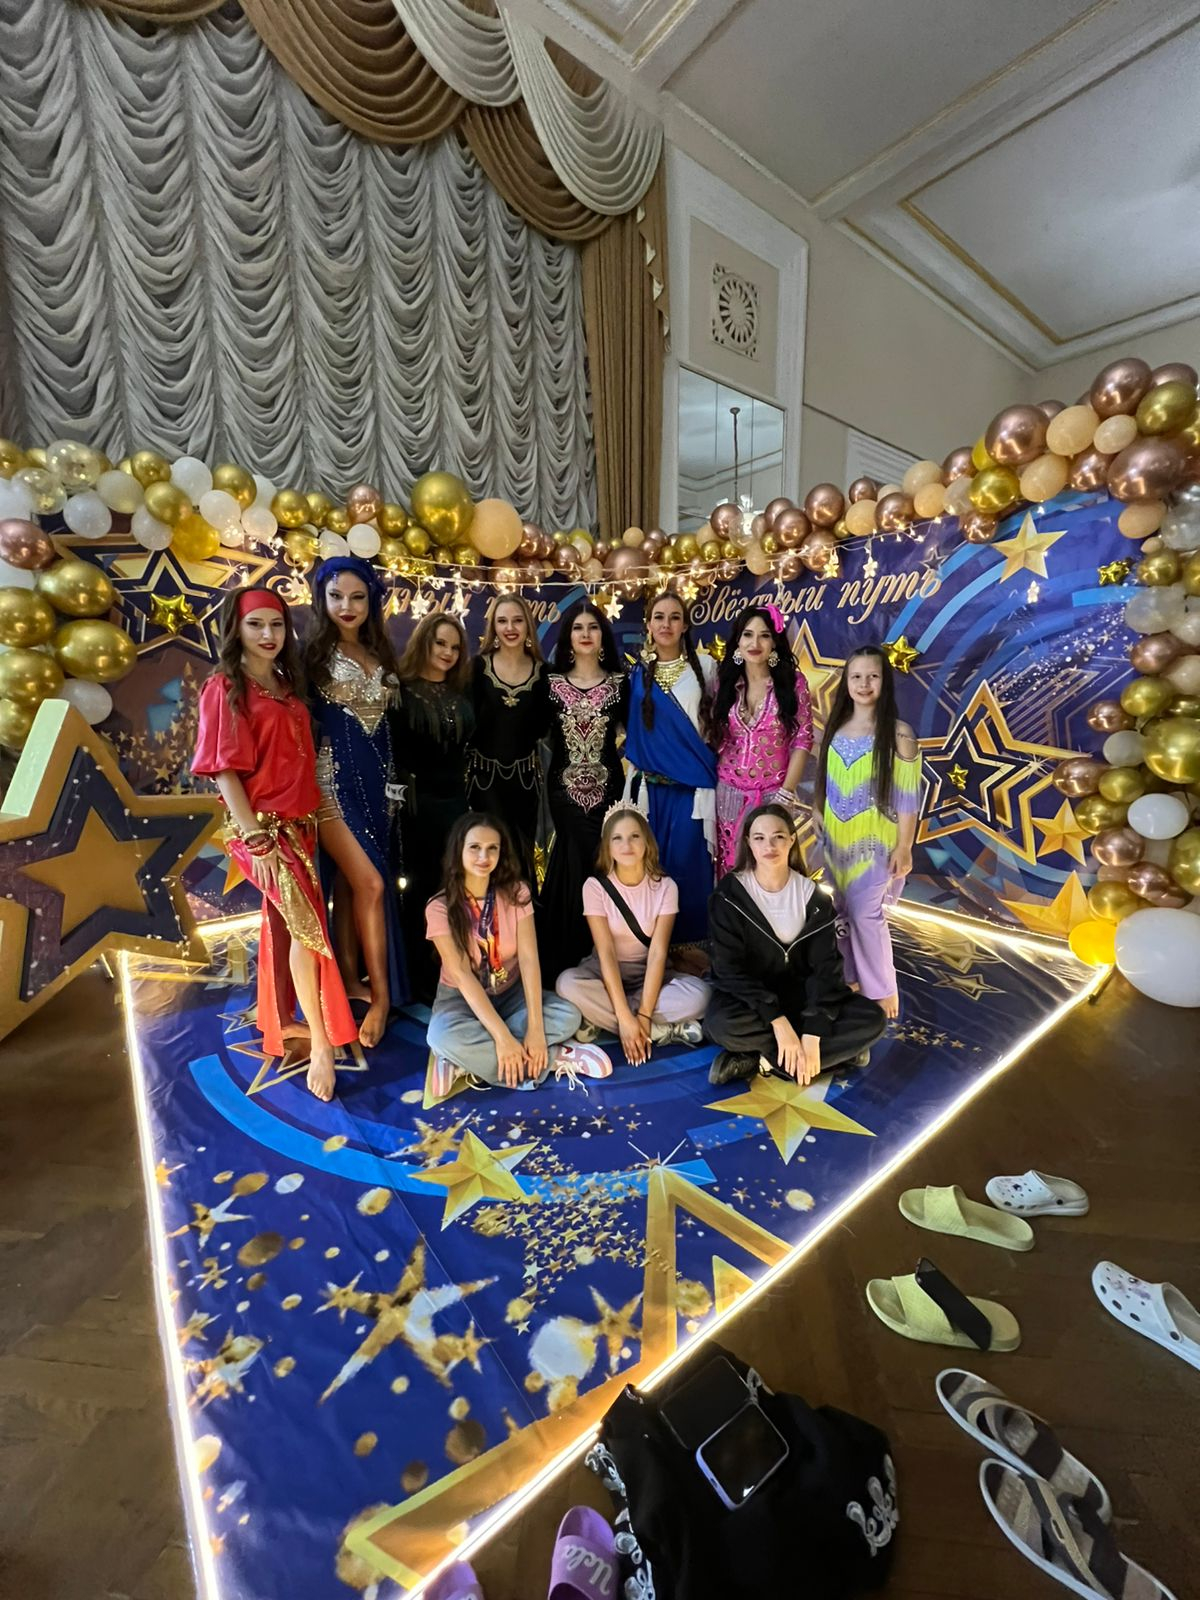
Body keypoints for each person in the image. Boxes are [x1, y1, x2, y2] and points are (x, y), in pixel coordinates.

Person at [192, 586, 357, 1100]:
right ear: (236, 629)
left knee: (289, 927)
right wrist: (257, 840)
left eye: (277, 624)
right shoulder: (225, 687)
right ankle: (323, 1045)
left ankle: (284, 1019)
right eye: (256, 624)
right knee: (308, 931)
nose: (268, 634)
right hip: (264, 832)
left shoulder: (285, 682)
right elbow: (224, 771)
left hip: (300, 825)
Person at [704, 804, 886, 1087]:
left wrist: (813, 1031)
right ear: (749, 843)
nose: (769, 846)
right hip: (752, 1002)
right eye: (760, 838)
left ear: (791, 840)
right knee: (721, 1025)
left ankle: (761, 1059)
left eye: (778, 836)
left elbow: (825, 970)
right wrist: (777, 1021)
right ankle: (826, 1058)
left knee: (873, 1019)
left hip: (801, 999)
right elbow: (728, 970)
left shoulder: (814, 898)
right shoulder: (728, 896)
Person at [305, 555, 407, 1047]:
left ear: (372, 602)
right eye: (336, 596)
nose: (346, 606)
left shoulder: (380, 653)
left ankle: (350, 980)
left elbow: (387, 730)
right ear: (321, 599)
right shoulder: (309, 658)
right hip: (331, 785)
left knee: (350, 888)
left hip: (378, 786)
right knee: (371, 884)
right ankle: (382, 997)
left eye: (357, 597)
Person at [425, 813, 601, 1091]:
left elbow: (529, 960)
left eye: (492, 848)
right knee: (439, 1035)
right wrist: (503, 1038)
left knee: (568, 1015)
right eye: (475, 847)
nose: (484, 856)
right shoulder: (439, 908)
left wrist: (536, 1030)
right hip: (462, 1001)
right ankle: (552, 1059)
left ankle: (467, 1061)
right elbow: (462, 976)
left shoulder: (518, 893)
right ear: (458, 850)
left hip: (511, 994)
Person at [556, 804, 711, 1062]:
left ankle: (614, 1023)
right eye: (617, 838)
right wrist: (625, 1015)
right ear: (607, 846)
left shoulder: (666, 887)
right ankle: (658, 1031)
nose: (626, 845)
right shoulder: (595, 887)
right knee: (566, 984)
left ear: (647, 842)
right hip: (605, 974)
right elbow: (606, 953)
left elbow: (658, 954)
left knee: (702, 996)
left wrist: (644, 1014)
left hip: (649, 975)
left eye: (634, 836)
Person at [815, 645, 920, 1020]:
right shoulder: (836, 728)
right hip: (837, 841)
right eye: (856, 676)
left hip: (874, 843)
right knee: (841, 911)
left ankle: (883, 989)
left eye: (872, 676)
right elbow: (825, 778)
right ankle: (851, 977)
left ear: (884, 681)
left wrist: (904, 846)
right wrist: (817, 809)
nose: (863, 683)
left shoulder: (899, 734)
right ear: (846, 682)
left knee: (866, 914)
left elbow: (908, 797)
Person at [538, 599, 628, 977]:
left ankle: (609, 954)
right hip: (564, 790)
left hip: (609, 790)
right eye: (578, 628)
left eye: (593, 627)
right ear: (568, 637)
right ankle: (568, 956)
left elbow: (641, 733)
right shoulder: (550, 684)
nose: (586, 634)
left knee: (602, 861)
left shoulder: (621, 683)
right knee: (575, 859)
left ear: (603, 636)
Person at [624, 592, 717, 945]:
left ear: (686, 625)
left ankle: (692, 950)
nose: (666, 624)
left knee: (688, 864)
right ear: (648, 624)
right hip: (651, 789)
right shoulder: (637, 673)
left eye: (675, 617)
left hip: (691, 788)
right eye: (659, 617)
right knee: (651, 867)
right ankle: (652, 950)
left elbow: (717, 723)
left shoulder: (705, 667)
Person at [390, 611, 474, 1002]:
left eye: (455, 647)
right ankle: (418, 977)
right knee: (421, 890)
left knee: (454, 887)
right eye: (440, 643)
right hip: (417, 808)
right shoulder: (400, 692)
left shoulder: (461, 693)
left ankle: (453, 970)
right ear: (424, 641)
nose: (447, 652)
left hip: (457, 804)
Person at [711, 604, 813, 878]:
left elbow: (802, 740)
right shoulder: (725, 682)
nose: (754, 643)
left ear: (775, 642)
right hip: (728, 792)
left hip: (773, 793)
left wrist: (786, 793)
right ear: (738, 641)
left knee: (770, 868)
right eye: (748, 635)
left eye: (764, 635)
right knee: (730, 868)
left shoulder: (793, 683)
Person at [467, 594, 550, 887]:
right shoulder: (477, 668)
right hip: (484, 782)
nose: (510, 628)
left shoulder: (545, 673)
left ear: (528, 625)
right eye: (502, 621)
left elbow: (546, 728)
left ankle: (521, 913)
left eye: (517, 620)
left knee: (520, 856)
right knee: (487, 853)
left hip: (525, 783)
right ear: (493, 626)